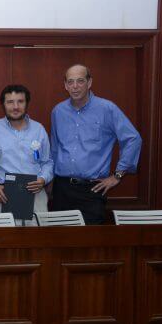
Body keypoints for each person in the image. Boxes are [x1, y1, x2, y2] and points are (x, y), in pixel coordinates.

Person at [50, 64, 142, 224]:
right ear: (65, 85)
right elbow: (55, 149)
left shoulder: (107, 109)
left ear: (89, 82)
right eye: (70, 82)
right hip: (61, 189)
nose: (75, 86)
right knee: (60, 237)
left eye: (80, 81)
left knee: (91, 238)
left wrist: (118, 175)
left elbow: (133, 139)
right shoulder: (58, 111)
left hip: (92, 190)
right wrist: (50, 184)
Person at [0, 85, 54, 225]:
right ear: (3, 104)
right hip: (3, 195)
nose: (15, 107)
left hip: (35, 194)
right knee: (3, 238)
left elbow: (47, 162)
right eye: (10, 102)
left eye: (20, 101)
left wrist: (43, 179)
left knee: (37, 237)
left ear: (26, 103)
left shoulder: (39, 129)